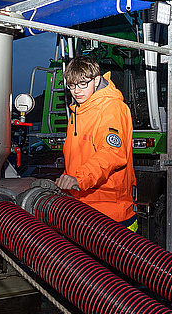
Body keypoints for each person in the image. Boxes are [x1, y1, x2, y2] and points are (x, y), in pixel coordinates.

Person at [54, 56, 137, 230]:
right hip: (82, 210)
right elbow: (76, 159)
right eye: (72, 85)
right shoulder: (78, 112)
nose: (77, 91)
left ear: (97, 79)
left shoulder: (112, 108)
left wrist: (78, 178)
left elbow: (111, 153)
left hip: (111, 214)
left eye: (83, 83)